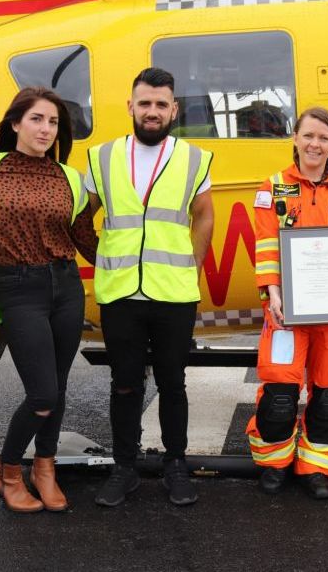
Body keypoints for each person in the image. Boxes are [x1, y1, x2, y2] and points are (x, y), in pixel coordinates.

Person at [85, 67, 214, 508]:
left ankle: (175, 464)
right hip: (121, 292)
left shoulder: (193, 158)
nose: (153, 111)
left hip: (173, 293)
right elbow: (84, 217)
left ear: (173, 108)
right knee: (124, 384)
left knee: (172, 383)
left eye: (162, 104)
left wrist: (192, 266)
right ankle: (125, 467)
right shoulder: (101, 157)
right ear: (131, 107)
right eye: (145, 103)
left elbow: (205, 215)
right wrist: (99, 258)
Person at [0, 87, 97, 513]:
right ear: (15, 122)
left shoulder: (68, 177)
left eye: (54, 122)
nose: (46, 129)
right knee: (41, 393)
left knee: (57, 388)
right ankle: (6, 470)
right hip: (17, 287)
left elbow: (83, 238)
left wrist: (135, 265)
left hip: (65, 285)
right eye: (38, 119)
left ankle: (45, 467)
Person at [247, 106, 328, 500]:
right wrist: (273, 293)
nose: (315, 144)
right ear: (295, 139)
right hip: (287, 311)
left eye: (323, 138)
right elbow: (266, 244)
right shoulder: (273, 187)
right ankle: (275, 463)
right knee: (279, 398)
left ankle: (316, 467)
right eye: (308, 136)